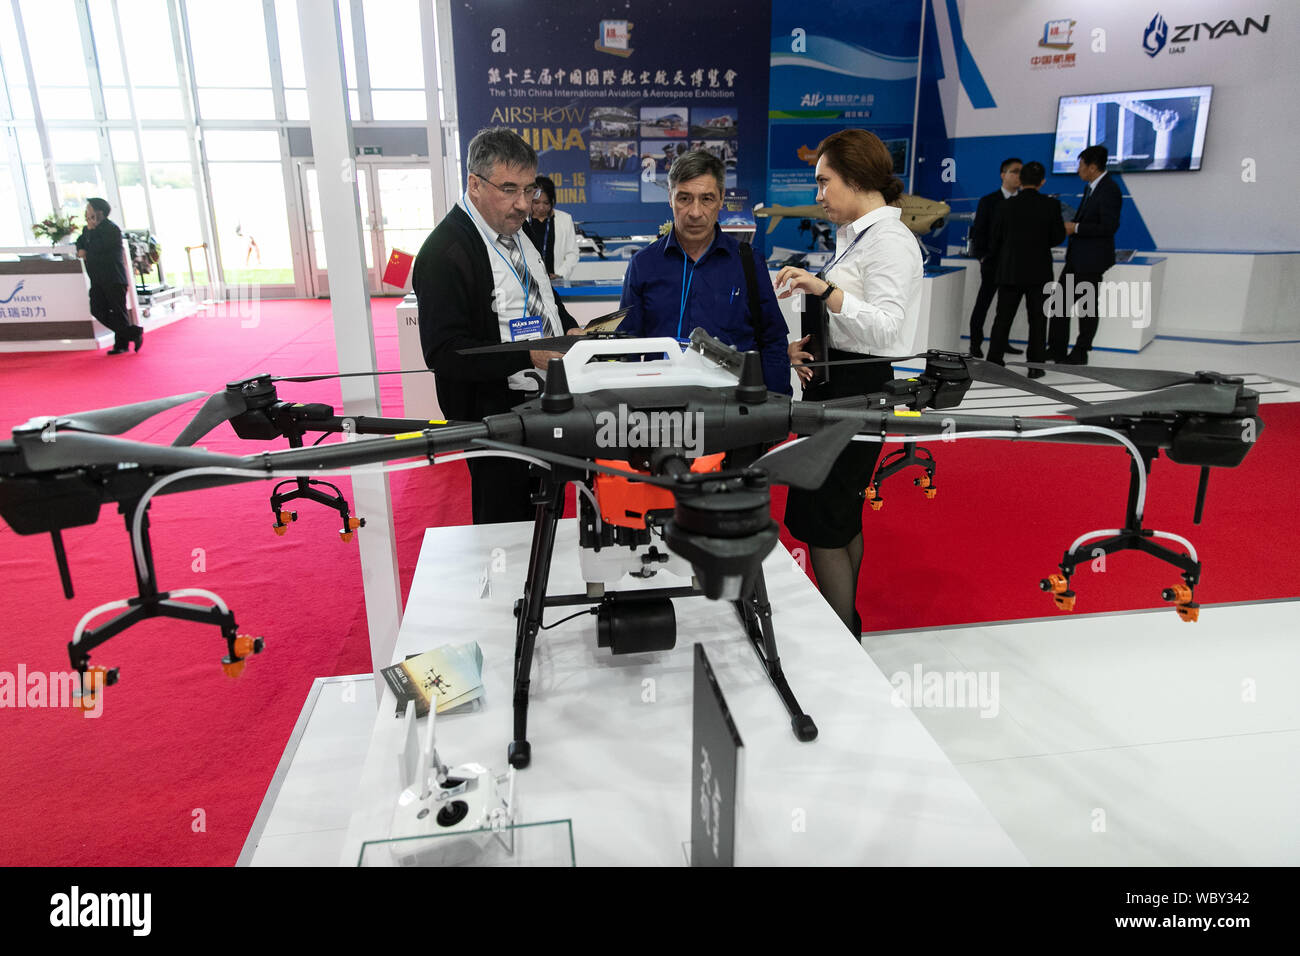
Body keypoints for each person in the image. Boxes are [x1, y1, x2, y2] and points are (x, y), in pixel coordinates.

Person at [776, 129, 923, 637]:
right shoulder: (860, 236)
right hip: (837, 386)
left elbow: (888, 329)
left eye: (824, 182)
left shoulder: (890, 241)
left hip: (859, 391)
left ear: (857, 178)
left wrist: (828, 292)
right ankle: (847, 623)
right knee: (839, 513)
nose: (819, 196)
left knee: (825, 518)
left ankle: (842, 636)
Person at [413, 127, 579, 525]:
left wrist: (569, 327)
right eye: (509, 189)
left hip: (543, 402)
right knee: (504, 526)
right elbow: (445, 353)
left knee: (546, 512)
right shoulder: (444, 252)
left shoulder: (515, 230)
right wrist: (527, 354)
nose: (523, 204)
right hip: (495, 416)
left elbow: (542, 293)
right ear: (474, 184)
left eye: (529, 189)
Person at [619, 149, 792, 396]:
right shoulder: (643, 265)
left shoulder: (748, 262)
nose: (695, 212)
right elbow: (627, 347)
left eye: (707, 199)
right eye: (684, 198)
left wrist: (777, 406)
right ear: (670, 197)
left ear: (722, 199)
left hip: (734, 409)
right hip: (662, 407)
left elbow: (773, 342)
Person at [984, 161, 1065, 377]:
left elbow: (996, 239)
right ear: (1042, 182)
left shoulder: (1006, 205)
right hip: (1039, 273)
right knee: (1038, 321)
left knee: (1002, 319)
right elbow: (1058, 237)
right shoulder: (1052, 206)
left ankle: (993, 362)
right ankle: (1035, 367)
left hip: (1009, 271)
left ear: (1021, 180)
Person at [1049, 144, 1121, 365]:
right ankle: (1056, 348)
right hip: (1077, 258)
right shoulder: (1092, 188)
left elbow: (1109, 227)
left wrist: (1076, 228)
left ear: (1092, 167)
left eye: (1080, 165)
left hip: (1092, 260)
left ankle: (1081, 351)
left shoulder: (1109, 189)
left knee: (1087, 307)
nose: (1078, 169)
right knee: (1060, 303)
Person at [966, 157, 1022, 358]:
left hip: (1014, 265)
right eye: (1014, 171)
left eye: (1020, 172)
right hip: (991, 263)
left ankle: (1001, 342)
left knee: (1006, 308)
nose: (1018, 176)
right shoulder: (989, 201)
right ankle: (975, 344)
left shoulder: (1023, 202)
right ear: (1003, 174)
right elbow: (979, 231)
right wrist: (982, 257)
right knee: (983, 304)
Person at [75, 197, 140, 355]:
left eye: (89, 209)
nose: (86, 213)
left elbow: (98, 248)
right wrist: (82, 247)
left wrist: (90, 234)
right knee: (97, 309)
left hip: (113, 277)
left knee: (118, 312)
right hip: (97, 278)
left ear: (99, 212)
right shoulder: (87, 230)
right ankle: (132, 333)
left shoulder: (111, 229)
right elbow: (80, 242)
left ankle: (121, 345)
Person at [522, 175, 578, 282]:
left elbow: (572, 253)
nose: (541, 207)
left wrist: (560, 274)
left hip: (556, 280)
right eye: (536, 202)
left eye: (546, 203)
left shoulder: (565, 219)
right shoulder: (522, 220)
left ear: (552, 201)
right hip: (529, 281)